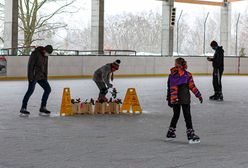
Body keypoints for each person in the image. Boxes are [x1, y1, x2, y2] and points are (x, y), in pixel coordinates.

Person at [166, 58, 203, 144]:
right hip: (185, 98)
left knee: (176, 115)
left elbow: (169, 88)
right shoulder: (187, 75)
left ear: (176, 64)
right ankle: (190, 135)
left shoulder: (171, 75)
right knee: (187, 116)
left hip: (175, 99)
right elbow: (192, 87)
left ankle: (170, 133)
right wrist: (199, 95)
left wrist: (170, 99)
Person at [20, 45, 53, 117]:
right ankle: (23, 108)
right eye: (47, 53)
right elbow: (30, 66)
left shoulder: (46, 56)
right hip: (34, 76)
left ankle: (43, 107)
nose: (48, 54)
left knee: (48, 89)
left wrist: (45, 77)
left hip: (41, 76)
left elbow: (45, 67)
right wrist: (30, 77)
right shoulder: (35, 53)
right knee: (30, 91)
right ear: (44, 50)